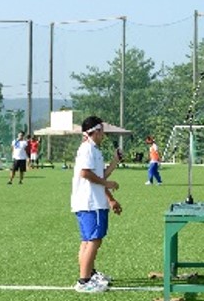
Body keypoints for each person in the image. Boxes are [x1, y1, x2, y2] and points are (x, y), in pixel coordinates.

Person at [72, 116, 122, 293]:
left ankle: (89, 274)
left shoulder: (93, 149)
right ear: (96, 131)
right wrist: (108, 186)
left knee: (87, 241)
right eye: (102, 130)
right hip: (90, 202)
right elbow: (85, 173)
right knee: (94, 240)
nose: (104, 134)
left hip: (89, 202)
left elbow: (100, 177)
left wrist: (115, 161)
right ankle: (84, 281)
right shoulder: (88, 149)